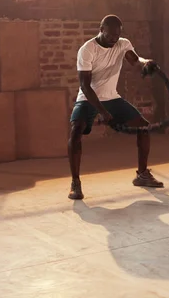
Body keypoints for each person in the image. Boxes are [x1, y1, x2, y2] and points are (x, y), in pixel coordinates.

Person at [67, 14, 163, 200]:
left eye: (117, 35)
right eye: (111, 35)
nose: (114, 39)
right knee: (75, 131)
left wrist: (146, 63)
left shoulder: (122, 43)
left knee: (143, 127)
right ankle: (75, 183)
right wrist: (103, 112)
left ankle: (142, 175)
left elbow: (135, 60)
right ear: (101, 29)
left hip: (111, 97)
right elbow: (86, 86)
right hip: (88, 98)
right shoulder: (87, 50)